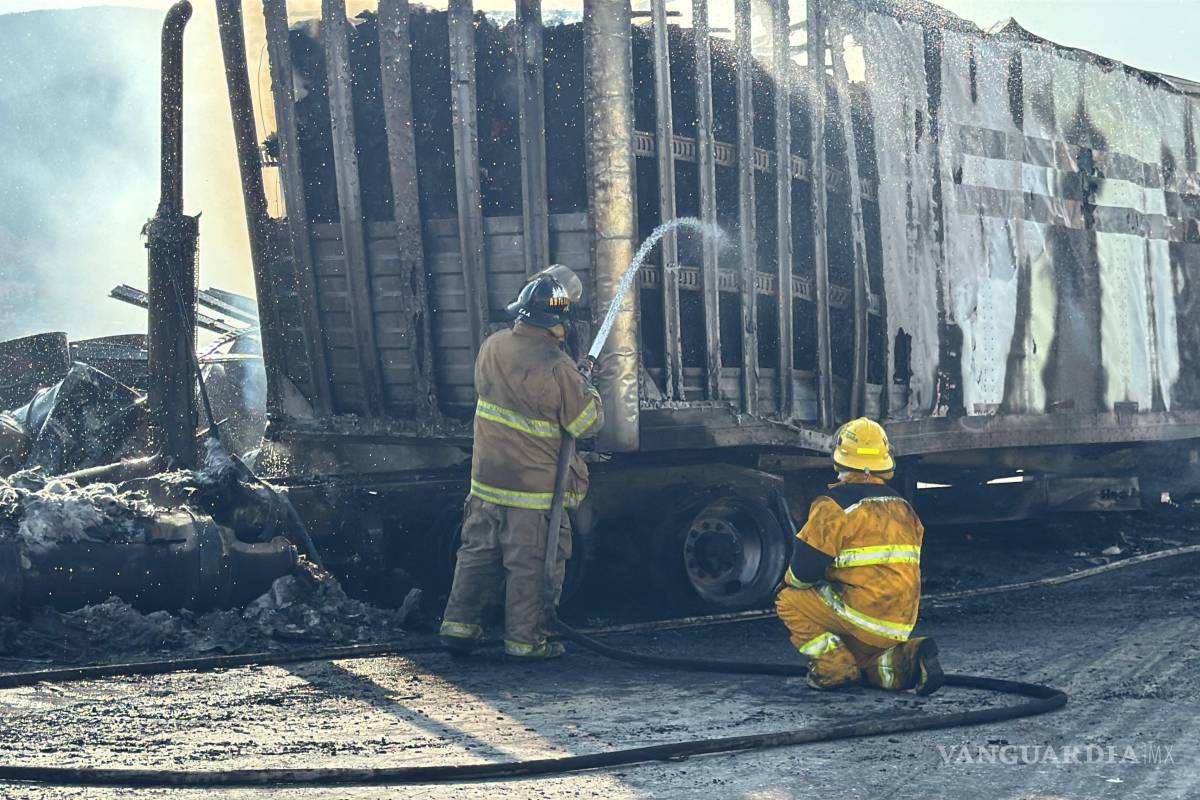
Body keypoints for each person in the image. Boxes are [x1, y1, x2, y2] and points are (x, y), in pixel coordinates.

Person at [439, 266, 603, 660]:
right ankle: (527, 642)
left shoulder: (492, 346)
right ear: (558, 320)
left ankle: (459, 628)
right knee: (531, 564)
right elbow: (586, 423)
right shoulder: (557, 365)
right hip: (533, 490)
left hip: (487, 481)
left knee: (478, 554)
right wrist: (586, 387)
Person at [775, 417, 943, 694]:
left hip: (862, 616)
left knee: (788, 599)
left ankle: (833, 668)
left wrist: (788, 582)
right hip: (898, 621)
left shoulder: (834, 507)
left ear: (840, 458)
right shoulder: (903, 507)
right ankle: (907, 659)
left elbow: (804, 571)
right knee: (865, 662)